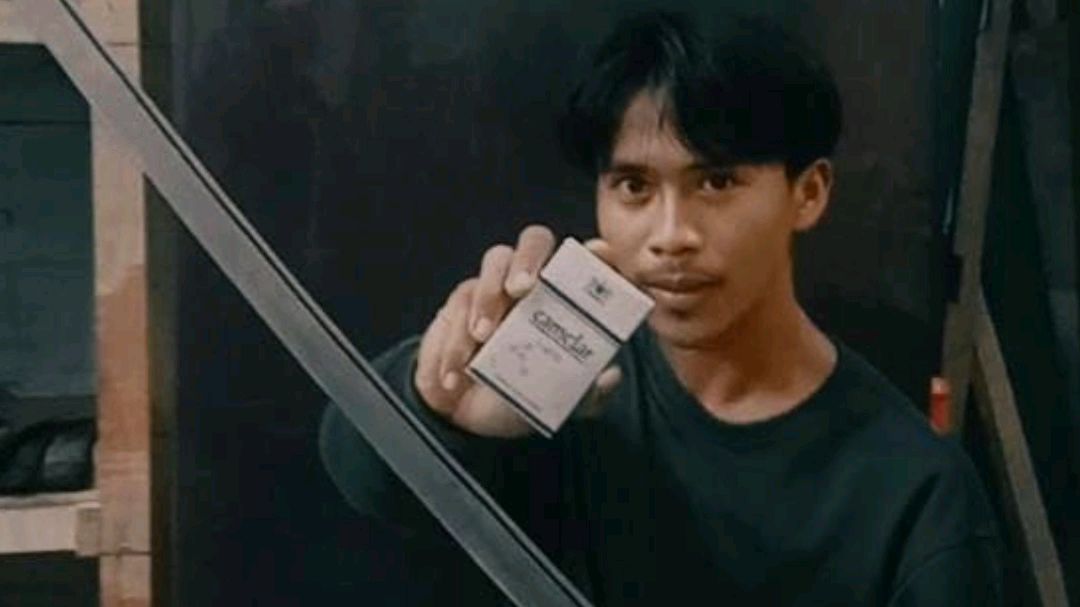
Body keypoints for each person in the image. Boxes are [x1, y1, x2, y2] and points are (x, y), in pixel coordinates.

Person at [320, 10, 1003, 606]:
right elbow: (363, 473)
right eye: (634, 186)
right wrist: (438, 403)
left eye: (717, 181)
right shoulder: (564, 392)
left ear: (809, 192)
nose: (671, 234)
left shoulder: (914, 493)